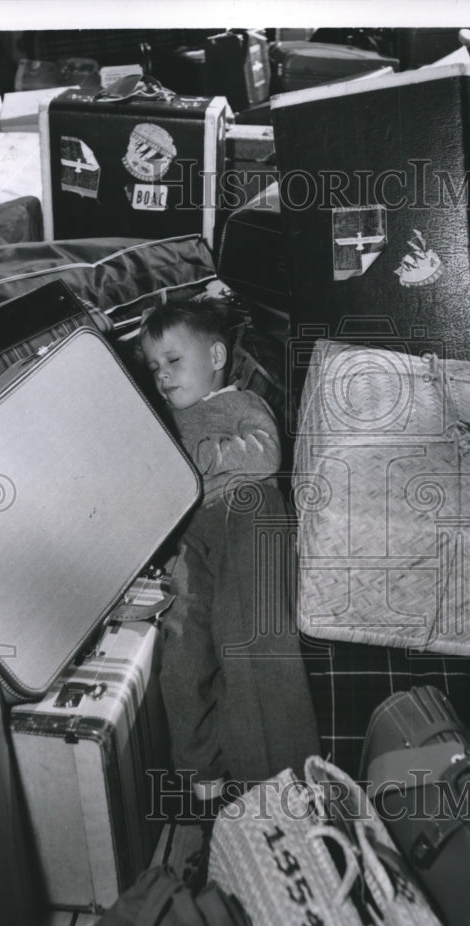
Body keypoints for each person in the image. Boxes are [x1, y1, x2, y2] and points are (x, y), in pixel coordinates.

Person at [138, 300, 320, 814]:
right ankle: (207, 782)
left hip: (246, 513)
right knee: (181, 654)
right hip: (192, 533)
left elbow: (265, 455)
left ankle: (284, 785)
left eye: (174, 361)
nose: (162, 375)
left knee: (251, 640)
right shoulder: (162, 422)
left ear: (216, 356)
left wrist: (200, 458)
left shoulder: (240, 402)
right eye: (154, 367)